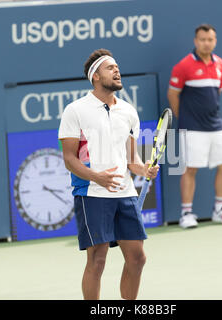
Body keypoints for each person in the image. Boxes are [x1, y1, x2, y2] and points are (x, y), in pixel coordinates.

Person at [58, 49, 159, 300]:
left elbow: (130, 159)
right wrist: (96, 177)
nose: (116, 70)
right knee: (97, 260)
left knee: (137, 258)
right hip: (91, 193)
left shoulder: (128, 111)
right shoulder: (75, 110)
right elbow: (69, 158)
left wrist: (143, 169)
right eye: (109, 67)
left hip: (125, 194)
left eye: (117, 67)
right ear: (95, 77)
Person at [167, 24, 222, 228]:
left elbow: (216, 93)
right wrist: (183, 117)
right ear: (195, 41)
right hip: (192, 126)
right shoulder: (183, 66)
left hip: (216, 124)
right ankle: (186, 214)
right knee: (190, 169)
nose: (206, 43)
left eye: (210, 39)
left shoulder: (220, 64)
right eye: (202, 39)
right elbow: (173, 94)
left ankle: (220, 210)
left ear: (215, 41)